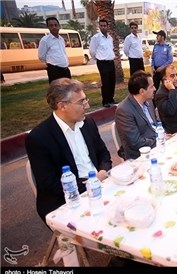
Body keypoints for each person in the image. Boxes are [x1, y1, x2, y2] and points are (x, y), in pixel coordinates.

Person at [25, 78, 112, 223]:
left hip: (99, 185)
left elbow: (103, 154)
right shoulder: (39, 138)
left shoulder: (87, 124)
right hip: (67, 201)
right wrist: (90, 184)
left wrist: (103, 171)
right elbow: (50, 184)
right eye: (81, 102)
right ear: (62, 106)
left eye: (86, 100)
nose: (87, 105)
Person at [115, 71, 157, 160]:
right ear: (142, 91)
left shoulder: (148, 101)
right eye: (152, 86)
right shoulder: (124, 110)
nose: (155, 89)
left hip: (157, 146)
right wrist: (157, 140)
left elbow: (155, 124)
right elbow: (135, 142)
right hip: (140, 156)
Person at [89, 19, 116, 108]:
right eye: (101, 26)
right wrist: (98, 58)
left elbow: (110, 49)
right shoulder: (96, 38)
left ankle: (111, 99)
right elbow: (92, 51)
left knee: (112, 81)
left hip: (111, 62)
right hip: (102, 63)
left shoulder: (110, 38)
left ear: (107, 26)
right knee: (106, 82)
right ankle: (106, 101)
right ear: (99, 26)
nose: (103, 27)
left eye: (105, 25)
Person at [38, 17, 71, 84]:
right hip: (54, 71)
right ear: (48, 27)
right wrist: (51, 64)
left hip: (65, 69)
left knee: (69, 90)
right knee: (57, 91)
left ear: (59, 26)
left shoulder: (61, 39)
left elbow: (63, 53)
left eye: (56, 25)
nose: (54, 27)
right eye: (51, 25)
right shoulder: (45, 40)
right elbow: (41, 56)